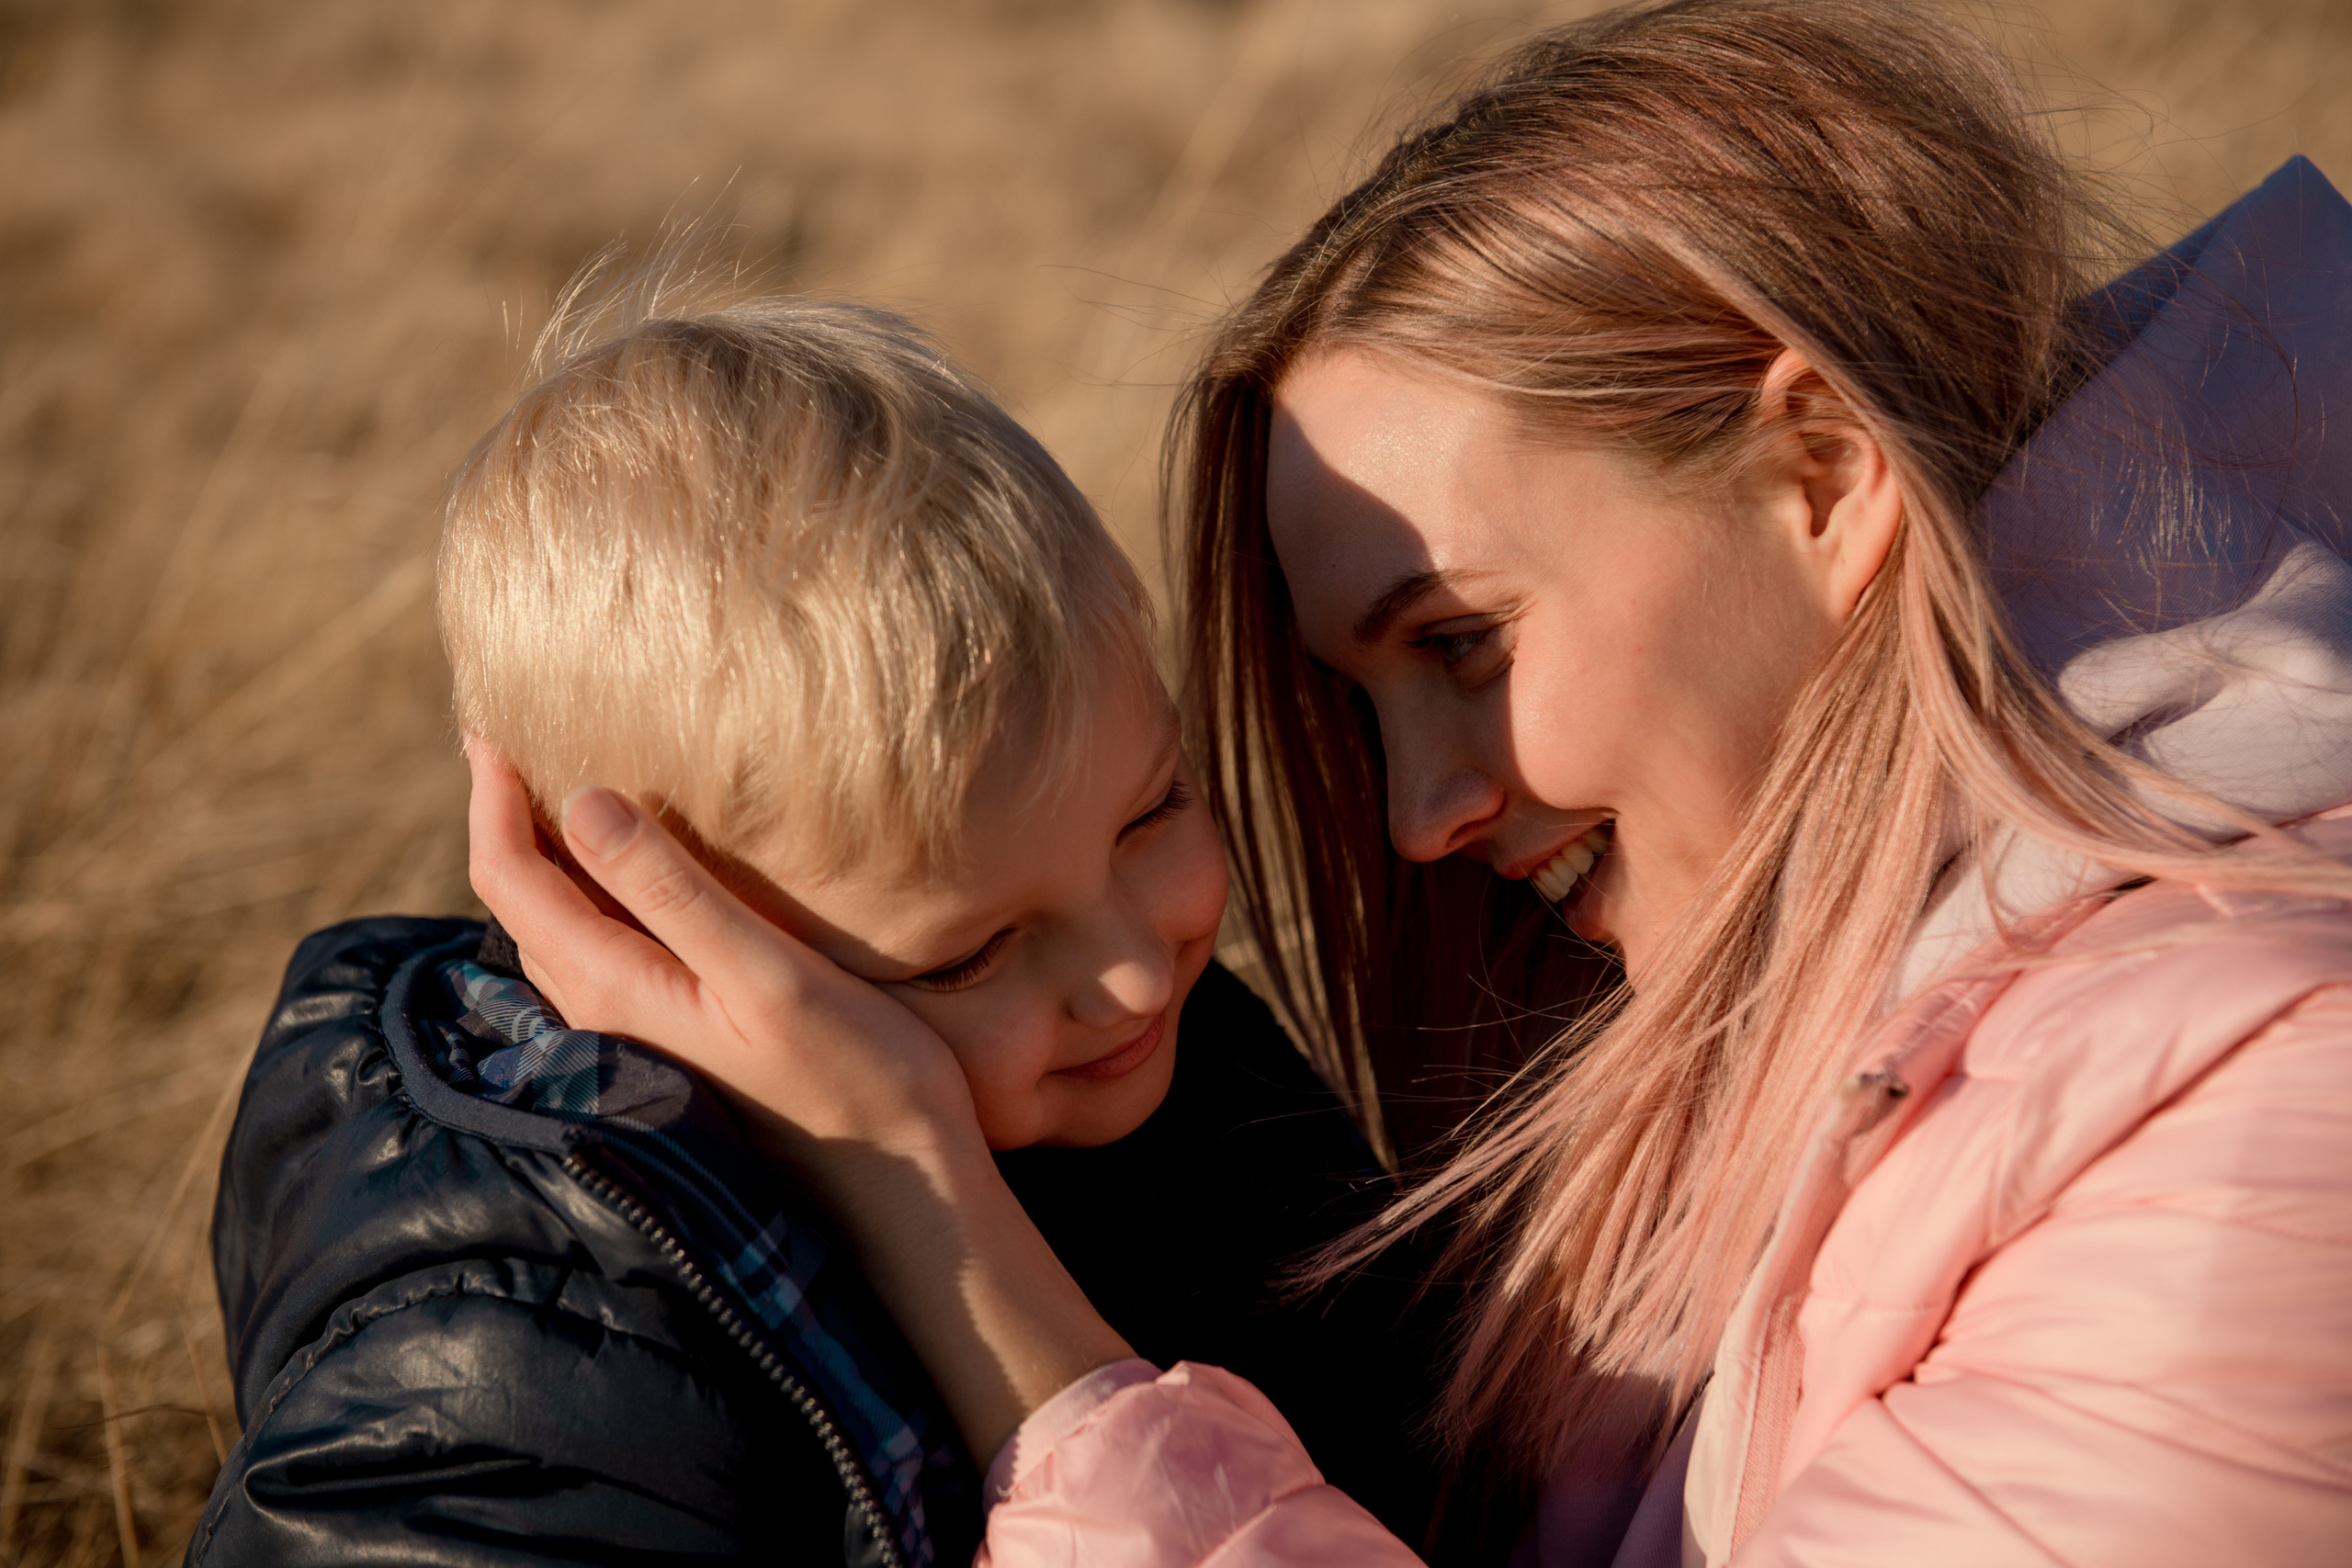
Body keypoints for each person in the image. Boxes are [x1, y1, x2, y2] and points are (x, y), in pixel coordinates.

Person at [467, 2, 2352, 1563]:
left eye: (1457, 642)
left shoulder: (2269, 1110)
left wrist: (939, 1234)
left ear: (1819, 473)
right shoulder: (1758, 972)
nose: (1412, 813)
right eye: (1348, 698)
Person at [190, 293, 1453, 1566]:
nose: (1131, 972)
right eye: (968, 954)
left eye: (1153, 813)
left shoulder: (1179, 1084)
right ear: (644, 939)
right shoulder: (520, 1356)